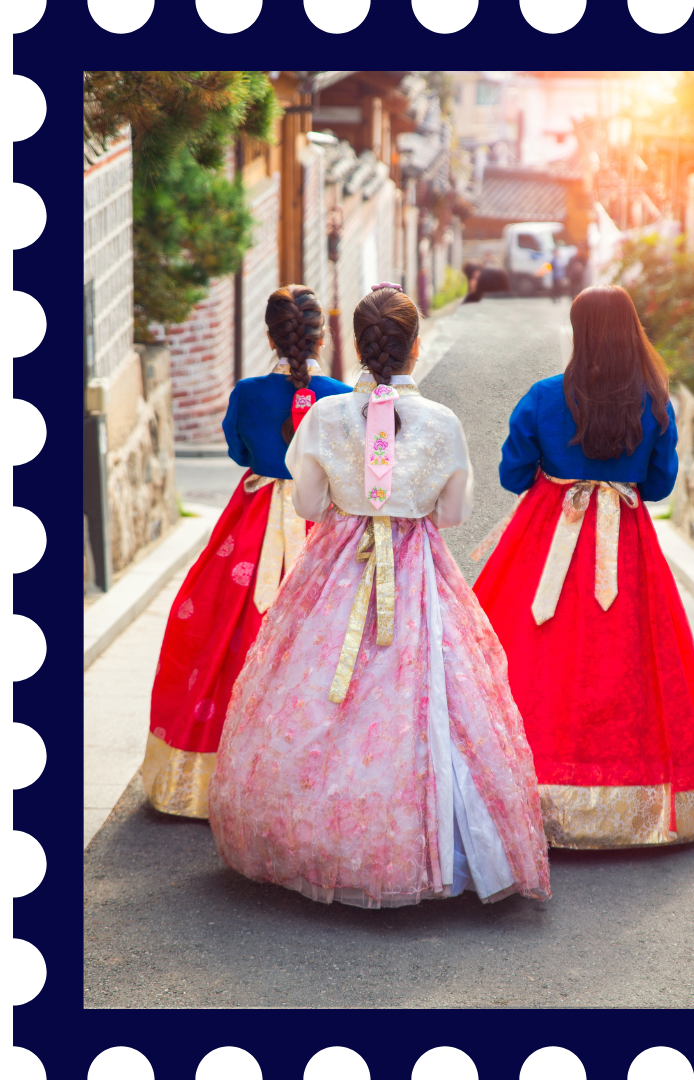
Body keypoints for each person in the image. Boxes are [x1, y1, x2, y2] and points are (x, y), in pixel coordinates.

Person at [209, 284, 551, 909]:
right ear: (416, 347)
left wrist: (356, 498)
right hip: (416, 570)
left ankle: (313, 836)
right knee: (433, 698)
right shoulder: (441, 422)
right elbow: (454, 513)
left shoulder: (324, 417)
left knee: (314, 693)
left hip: (334, 568)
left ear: (358, 349)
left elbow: (308, 504)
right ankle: (434, 843)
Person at [471, 286, 694, 851]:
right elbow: (657, 485)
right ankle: (631, 799)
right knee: (628, 661)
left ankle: (527, 793)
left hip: (547, 539)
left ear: (579, 333)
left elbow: (512, 475)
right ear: (632, 331)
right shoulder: (656, 403)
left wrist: (557, 468)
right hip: (624, 544)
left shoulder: (543, 397)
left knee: (537, 657)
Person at [142, 286, 351, 819]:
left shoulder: (248, 392)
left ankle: (206, 769)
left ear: (268, 336)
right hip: (319, 521)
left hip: (253, 524)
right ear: (321, 336)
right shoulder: (341, 396)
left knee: (229, 630)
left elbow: (238, 451)